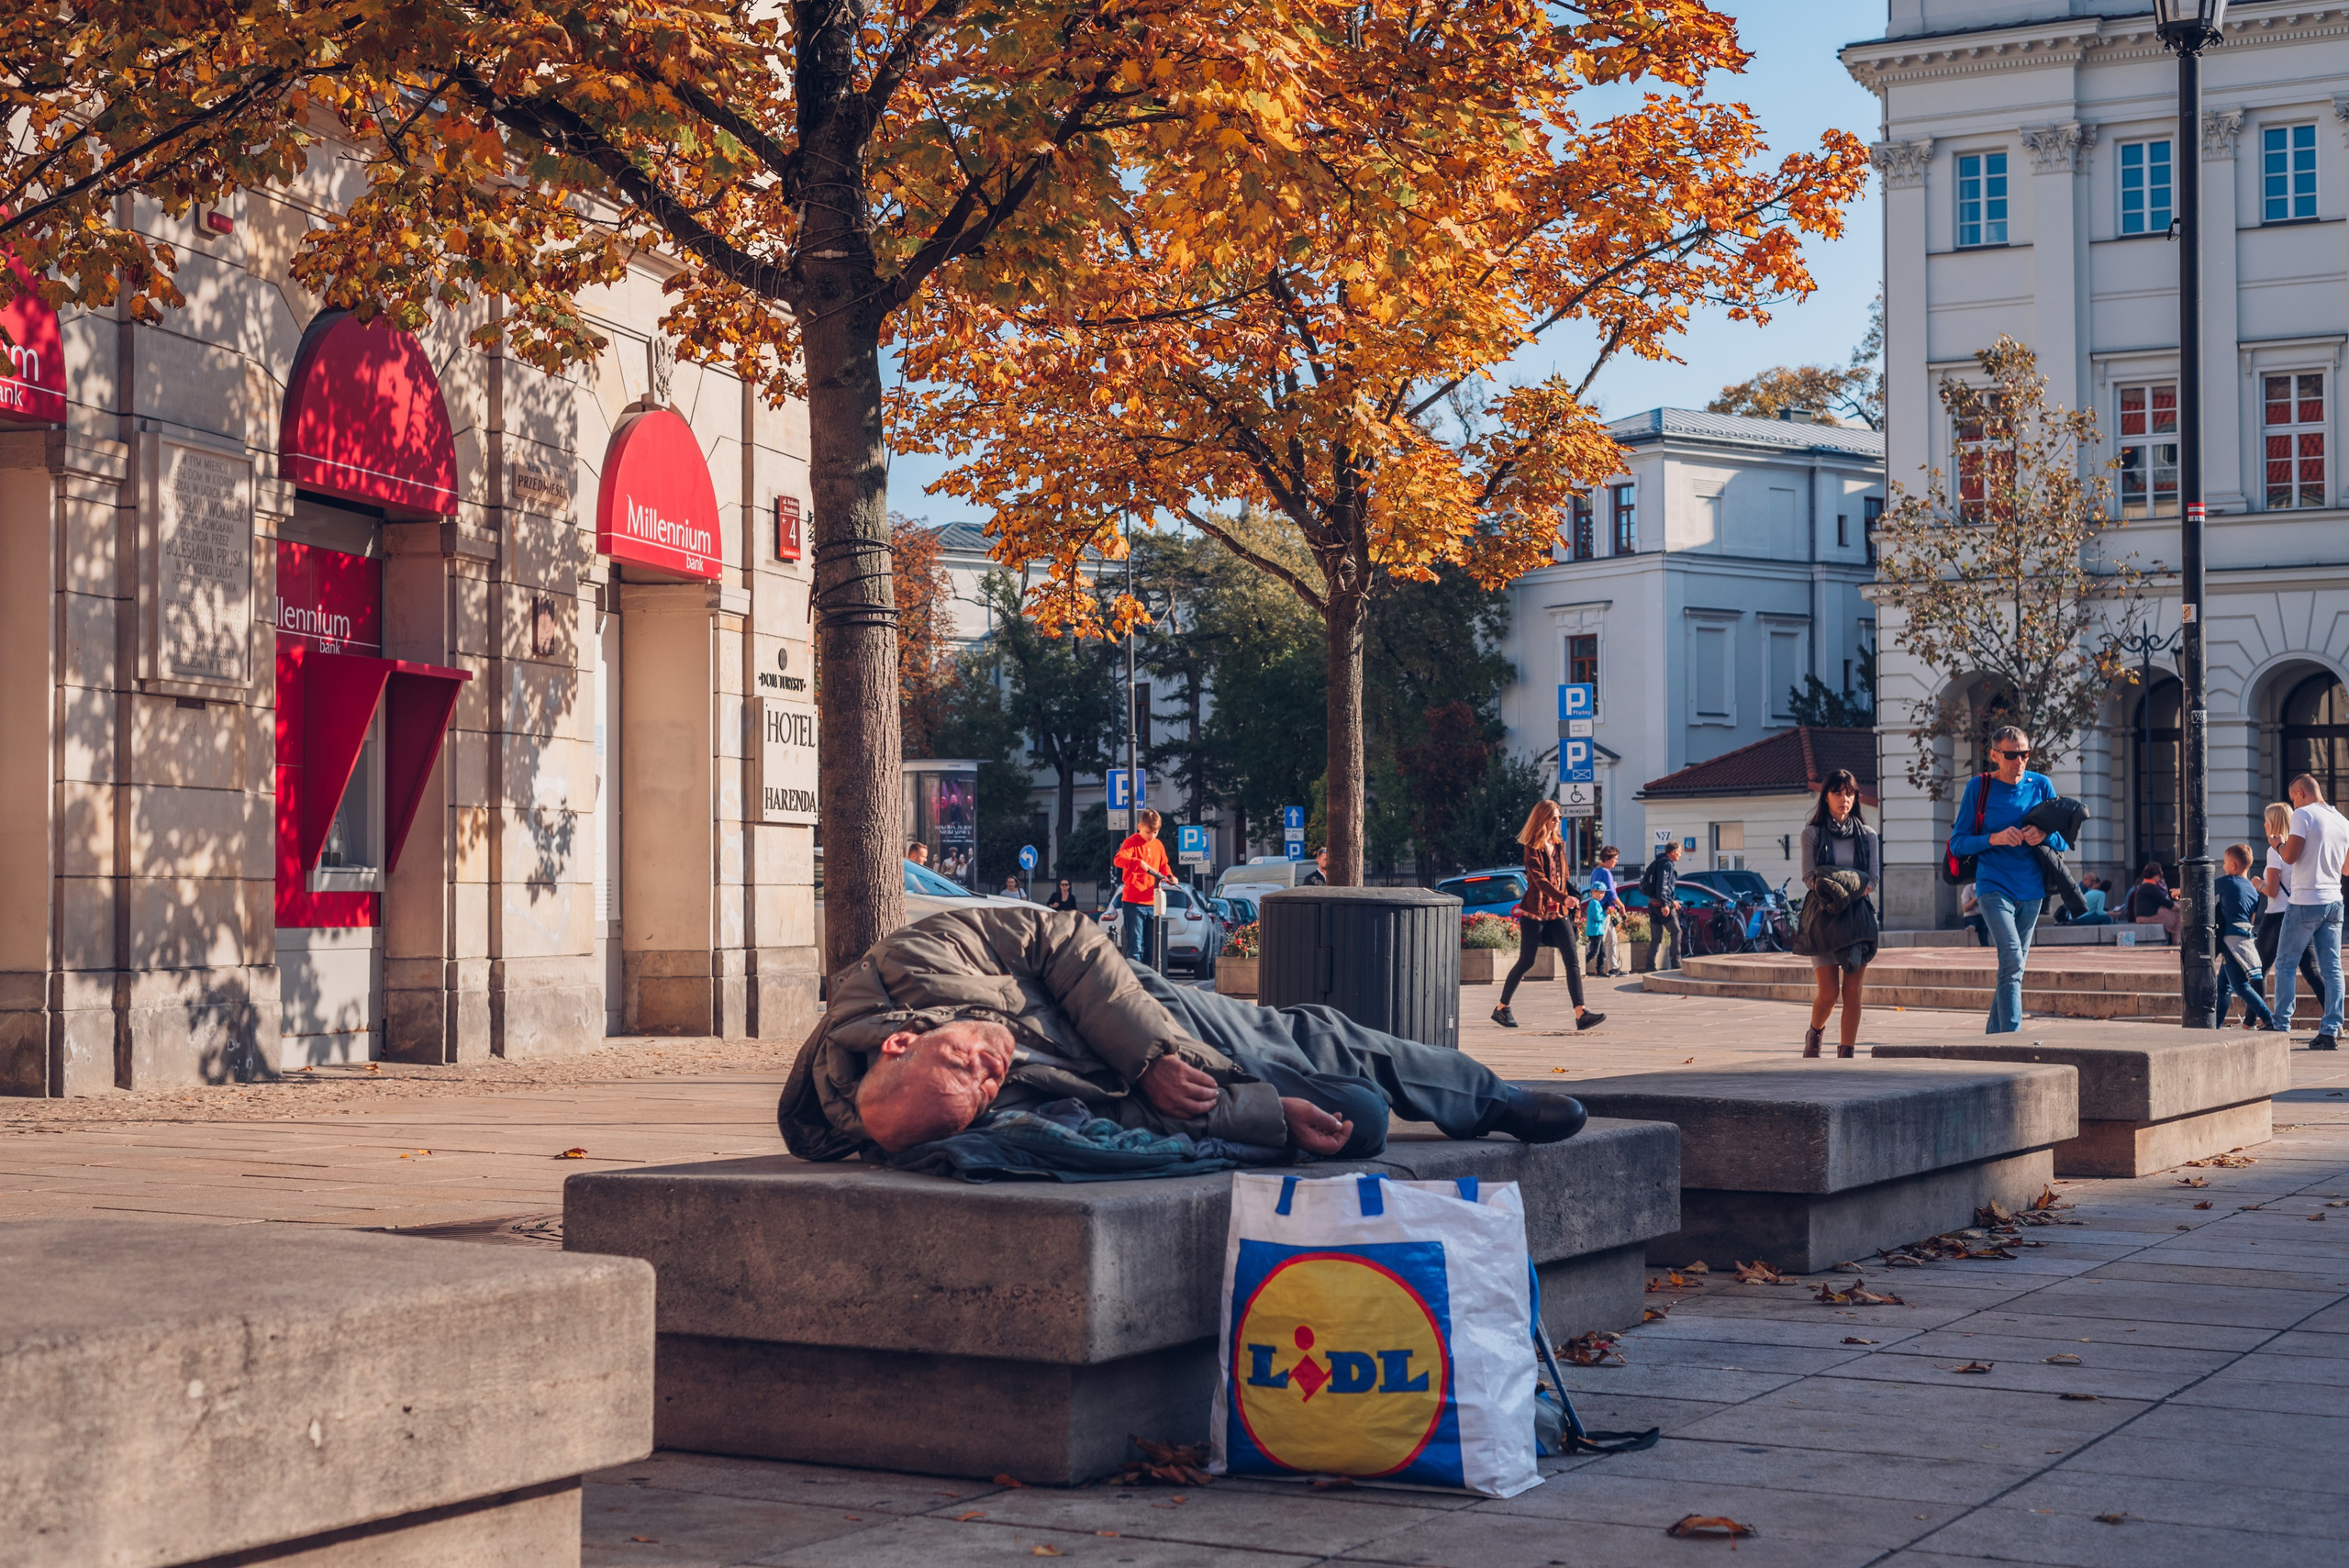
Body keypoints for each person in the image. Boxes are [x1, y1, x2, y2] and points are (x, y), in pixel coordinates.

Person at [776, 906, 1593, 1162]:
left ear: (898, 1040)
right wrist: (1265, 1120)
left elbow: (1063, 938)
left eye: (968, 1059)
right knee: (1364, 1123)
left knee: (1314, 1037)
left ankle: (1493, 1099)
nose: (994, 1066)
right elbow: (1104, 1126)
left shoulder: (908, 963)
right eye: (987, 1086)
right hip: (1144, 1080)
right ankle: (1367, 1104)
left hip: (1138, 1012)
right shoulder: (929, 1112)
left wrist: (1154, 1054)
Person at [1947, 726, 2068, 1034]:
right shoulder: (1980, 788)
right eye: (2012, 755)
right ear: (1994, 755)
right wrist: (1995, 838)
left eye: (2025, 754)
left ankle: (1992, 1038)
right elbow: (1958, 843)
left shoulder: (2041, 785)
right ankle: (2013, 1039)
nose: (2019, 761)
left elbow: (2064, 841)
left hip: (2032, 890)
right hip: (1993, 886)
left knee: (2011, 967)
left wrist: (2045, 834)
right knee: (2013, 958)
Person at [1492, 800, 1604, 1032]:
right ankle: (1502, 1008)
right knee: (1527, 961)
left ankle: (1581, 1013)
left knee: (1572, 960)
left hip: (1558, 913)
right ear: (1542, 818)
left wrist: (1571, 897)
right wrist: (1564, 897)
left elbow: (1562, 878)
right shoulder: (1531, 847)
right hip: (1535, 913)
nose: (1557, 821)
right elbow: (1540, 881)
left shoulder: (1558, 844)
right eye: (1554, 817)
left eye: (1559, 817)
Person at [1796, 768, 1878, 1058]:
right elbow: (1809, 877)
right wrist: (1842, 886)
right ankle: (1815, 1035)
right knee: (1829, 993)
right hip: (1823, 919)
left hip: (1857, 922)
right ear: (1826, 797)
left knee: (1853, 992)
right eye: (1837, 793)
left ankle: (1847, 1053)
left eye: (1849, 793)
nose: (1844, 799)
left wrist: (1838, 883)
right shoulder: (1812, 834)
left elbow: (1873, 880)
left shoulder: (1868, 835)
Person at [2266, 773, 2349, 1050]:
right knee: (2332, 968)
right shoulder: (2343, 820)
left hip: (2305, 900)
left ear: (2300, 793)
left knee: (2286, 963)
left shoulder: (2303, 816)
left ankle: (2281, 1025)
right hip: (2334, 900)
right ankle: (2331, 1028)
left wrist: (2277, 843)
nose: (2293, 804)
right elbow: (2347, 869)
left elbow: (2289, 856)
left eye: (2293, 798)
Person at [2255, 802, 2324, 1015]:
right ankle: (2334, 1017)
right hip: (2299, 911)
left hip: (2276, 916)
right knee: (2312, 971)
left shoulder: (2273, 851)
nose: (2264, 823)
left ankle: (2256, 1019)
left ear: (2273, 823)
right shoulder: (2298, 849)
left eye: (2266, 819)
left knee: (2260, 970)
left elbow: (2273, 890)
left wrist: (2257, 883)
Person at [2215, 844, 2280, 1031]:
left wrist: (2181, 891)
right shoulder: (2253, 890)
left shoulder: (2228, 881)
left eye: (2225, 863)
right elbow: (2252, 917)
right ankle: (2216, 1025)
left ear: (2233, 865)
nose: (2224, 866)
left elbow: (2203, 888)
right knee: (2223, 986)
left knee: (2240, 986)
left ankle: (2269, 1018)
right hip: (2245, 938)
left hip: (2230, 941)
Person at [1111, 808, 1174, 969]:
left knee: (1152, 949)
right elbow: (1118, 859)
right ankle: (1136, 982)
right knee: (1136, 947)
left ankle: (1147, 981)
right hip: (1134, 902)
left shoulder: (1158, 845)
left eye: (1155, 832)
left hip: (1153, 901)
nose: (1151, 836)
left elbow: (1164, 865)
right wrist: (1136, 862)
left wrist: (1170, 876)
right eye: (1148, 832)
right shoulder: (1131, 842)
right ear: (1139, 826)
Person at [1640, 841, 1684, 972]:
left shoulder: (1658, 862)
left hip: (1652, 903)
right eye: (1679, 852)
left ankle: (1650, 965)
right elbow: (1663, 884)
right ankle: (1676, 963)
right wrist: (1665, 904)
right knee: (1676, 932)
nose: (1680, 855)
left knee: (1656, 937)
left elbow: (1660, 886)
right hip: (1660, 904)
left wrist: (1671, 900)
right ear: (1673, 852)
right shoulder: (1667, 864)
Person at [1586, 847, 1625, 974]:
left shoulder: (1595, 871)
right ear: (1608, 858)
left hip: (1603, 908)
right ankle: (1581, 961)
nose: (1616, 862)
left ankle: (1613, 967)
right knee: (1601, 940)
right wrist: (1622, 906)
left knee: (1611, 938)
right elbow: (1612, 894)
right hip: (1604, 910)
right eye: (1615, 859)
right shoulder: (1605, 872)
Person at [2126, 862, 2179, 940]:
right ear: (2155, 874)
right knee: (2177, 913)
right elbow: (2165, 902)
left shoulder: (2145, 885)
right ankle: (2175, 941)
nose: (2162, 873)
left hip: (2143, 916)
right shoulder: (2151, 887)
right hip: (2146, 917)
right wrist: (2181, 908)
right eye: (2160, 871)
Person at [1960, 882, 1987, 947]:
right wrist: (1976, 898)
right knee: (1974, 923)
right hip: (1971, 916)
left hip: (1982, 916)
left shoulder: (1987, 889)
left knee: (1984, 927)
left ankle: (1985, 946)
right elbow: (1965, 908)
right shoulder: (1968, 889)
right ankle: (1972, 926)